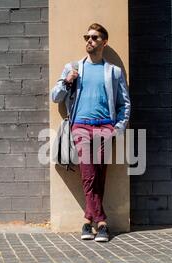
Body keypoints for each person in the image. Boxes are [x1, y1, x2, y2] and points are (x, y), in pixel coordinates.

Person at [51, 23, 131, 242]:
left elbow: (125, 102)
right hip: (81, 126)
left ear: (104, 42)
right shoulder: (73, 67)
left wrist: (119, 127)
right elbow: (55, 97)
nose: (89, 41)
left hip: (105, 127)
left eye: (95, 38)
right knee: (88, 172)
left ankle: (88, 221)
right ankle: (102, 221)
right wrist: (67, 82)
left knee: (99, 172)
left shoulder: (113, 72)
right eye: (87, 37)